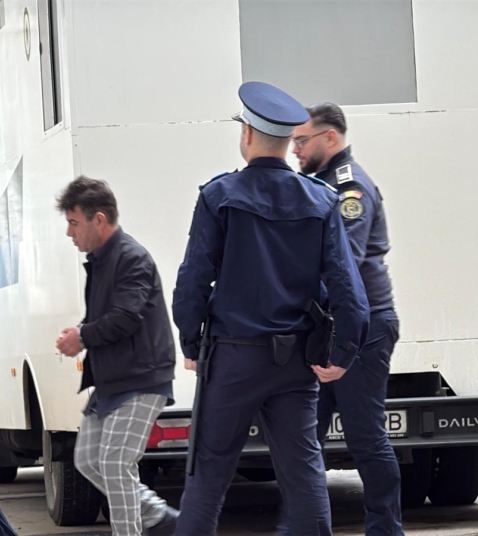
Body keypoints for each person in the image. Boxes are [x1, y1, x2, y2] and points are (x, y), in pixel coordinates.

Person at [171, 81, 370, 536]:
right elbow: (347, 285)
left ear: (246, 135)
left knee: (208, 474)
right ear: (287, 141)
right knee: (304, 475)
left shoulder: (219, 196)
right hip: (296, 361)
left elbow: (194, 277)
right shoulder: (322, 199)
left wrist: (190, 341)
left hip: (232, 358)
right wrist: (343, 352)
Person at [293, 102, 402, 536]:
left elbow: (344, 264)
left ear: (330, 137)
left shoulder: (349, 188)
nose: (295, 149)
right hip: (328, 326)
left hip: (363, 326)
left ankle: (386, 530)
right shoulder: (318, 184)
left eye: (302, 140)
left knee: (365, 437)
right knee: (304, 438)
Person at [55, 176, 179, 536]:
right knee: (87, 459)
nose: (69, 232)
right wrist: (80, 332)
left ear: (99, 219)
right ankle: (159, 517)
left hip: (142, 379)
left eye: (73, 222)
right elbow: (110, 316)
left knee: (114, 464)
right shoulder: (101, 260)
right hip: (113, 381)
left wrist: (82, 335)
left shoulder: (131, 258)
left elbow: (126, 317)